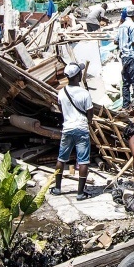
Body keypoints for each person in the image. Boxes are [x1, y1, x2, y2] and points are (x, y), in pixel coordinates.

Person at [52, 63, 93, 199]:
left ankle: (57, 188)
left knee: (61, 159)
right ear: (77, 76)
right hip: (81, 129)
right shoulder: (84, 93)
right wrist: (87, 123)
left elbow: (61, 109)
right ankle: (80, 193)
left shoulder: (61, 92)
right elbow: (90, 114)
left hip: (67, 128)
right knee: (83, 161)